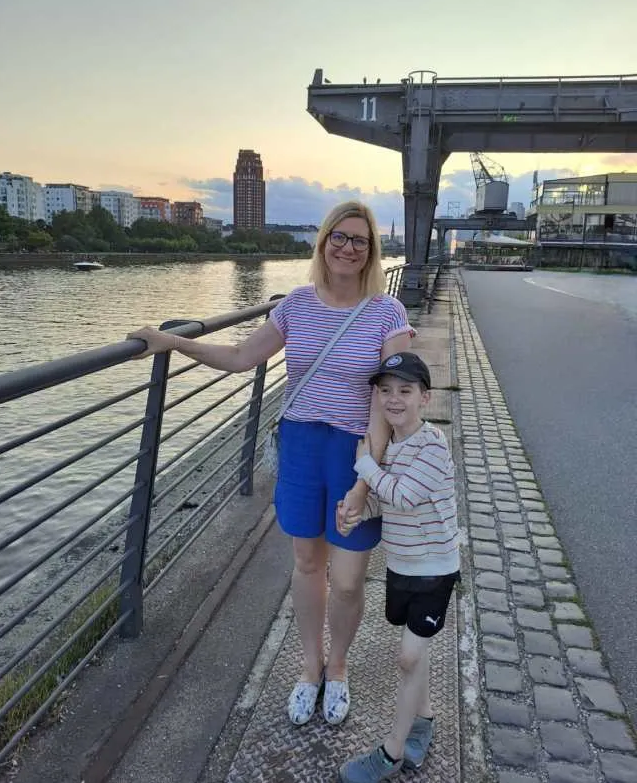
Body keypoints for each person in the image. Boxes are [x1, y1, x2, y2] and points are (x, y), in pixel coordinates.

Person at [126, 201, 414, 727]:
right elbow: (241, 357)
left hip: (356, 452)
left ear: (371, 251)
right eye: (339, 237)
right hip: (302, 446)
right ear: (323, 241)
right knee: (307, 564)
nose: (348, 248)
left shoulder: (386, 313)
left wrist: (368, 474)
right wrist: (172, 341)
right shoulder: (295, 305)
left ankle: (339, 667)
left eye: (360, 240)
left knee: (349, 578)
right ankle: (310, 668)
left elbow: (392, 397)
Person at [336, 351, 460, 783]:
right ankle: (422, 721)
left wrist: (365, 463)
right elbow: (385, 500)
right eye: (385, 391)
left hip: (434, 569)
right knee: (415, 650)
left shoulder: (432, 446)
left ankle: (391, 752)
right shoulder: (387, 449)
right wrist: (357, 510)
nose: (393, 399)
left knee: (409, 658)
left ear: (424, 398)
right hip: (402, 565)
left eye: (405, 391)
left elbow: (405, 495)